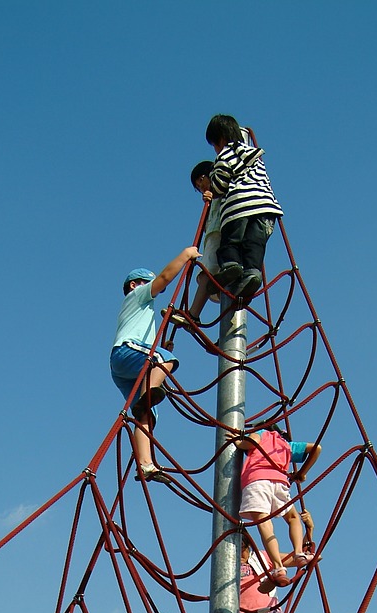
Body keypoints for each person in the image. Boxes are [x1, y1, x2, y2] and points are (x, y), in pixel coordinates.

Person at [110, 246, 201, 482]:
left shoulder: (141, 311)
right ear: (134, 284)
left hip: (127, 365)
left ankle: (146, 464)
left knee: (147, 414)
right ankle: (147, 395)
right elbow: (164, 277)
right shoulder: (137, 296)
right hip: (126, 351)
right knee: (165, 360)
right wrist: (185, 255)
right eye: (147, 283)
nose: (155, 290)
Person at [205, 114, 283, 307]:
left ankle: (231, 266)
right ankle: (252, 273)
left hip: (238, 206)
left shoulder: (225, 155)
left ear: (221, 139)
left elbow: (221, 184)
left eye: (214, 144)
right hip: (266, 208)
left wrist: (210, 189)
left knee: (231, 242)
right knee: (254, 244)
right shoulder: (255, 154)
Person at [235, 425, 314, 586]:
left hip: (257, 480)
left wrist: (238, 443)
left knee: (264, 522)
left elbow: (252, 442)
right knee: (293, 517)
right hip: (280, 482)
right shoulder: (285, 444)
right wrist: (302, 472)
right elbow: (316, 448)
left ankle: (278, 567)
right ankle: (299, 553)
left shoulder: (262, 433)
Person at [164, 162, 222, 342]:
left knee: (206, 272)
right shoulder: (214, 198)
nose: (200, 187)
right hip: (214, 236)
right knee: (208, 274)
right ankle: (222, 331)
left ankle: (193, 315)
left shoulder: (224, 189)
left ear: (206, 176)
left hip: (219, 235)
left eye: (200, 183)